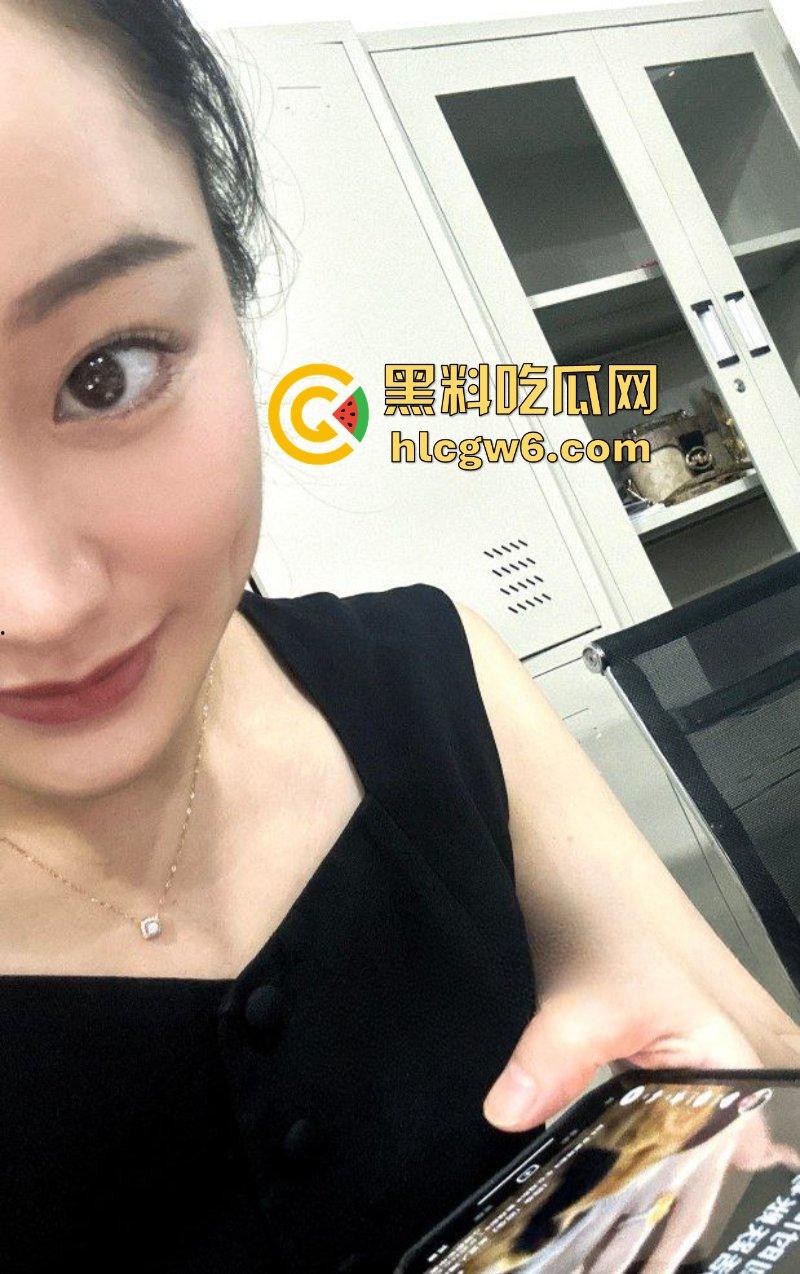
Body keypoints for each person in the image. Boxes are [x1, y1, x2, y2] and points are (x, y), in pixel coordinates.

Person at [0, 3, 797, 1272]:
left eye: (107, 372)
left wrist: (699, 1106)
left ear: (230, 287)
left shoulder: (433, 669)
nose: (39, 600)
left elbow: (750, 1077)